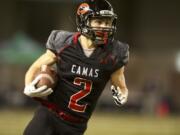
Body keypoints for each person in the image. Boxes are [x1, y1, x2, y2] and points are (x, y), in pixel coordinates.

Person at [23, 0, 129, 135]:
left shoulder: (114, 54)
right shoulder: (64, 43)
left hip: (75, 126)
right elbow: (36, 66)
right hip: (49, 115)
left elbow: (121, 86)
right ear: (83, 21)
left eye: (107, 22)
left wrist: (122, 95)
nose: (104, 27)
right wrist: (28, 86)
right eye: (99, 22)